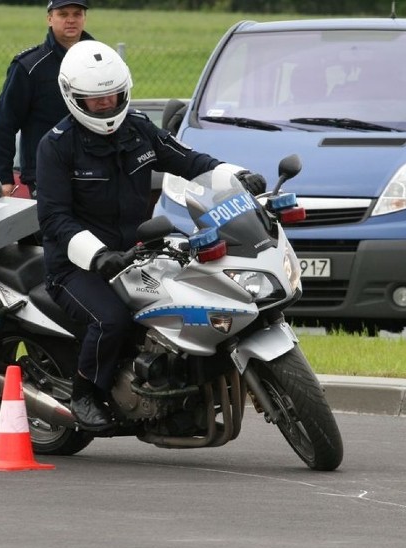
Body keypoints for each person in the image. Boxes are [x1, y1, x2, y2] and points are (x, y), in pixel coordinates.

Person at [35, 41, 266, 431]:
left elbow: (190, 161)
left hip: (135, 253)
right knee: (110, 320)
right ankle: (85, 392)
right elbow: (54, 219)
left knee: (186, 303)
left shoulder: (138, 128)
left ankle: (177, 392)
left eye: (113, 96)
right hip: (75, 268)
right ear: (74, 99)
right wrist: (96, 255)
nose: (107, 105)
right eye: (96, 100)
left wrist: (235, 175)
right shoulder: (56, 147)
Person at [0, 0, 94, 198]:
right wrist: (3, 178)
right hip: (48, 175)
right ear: (49, 19)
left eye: (77, 14)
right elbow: (5, 123)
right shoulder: (29, 67)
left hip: (98, 172)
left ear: (84, 18)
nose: (71, 20)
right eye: (63, 14)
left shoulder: (100, 61)